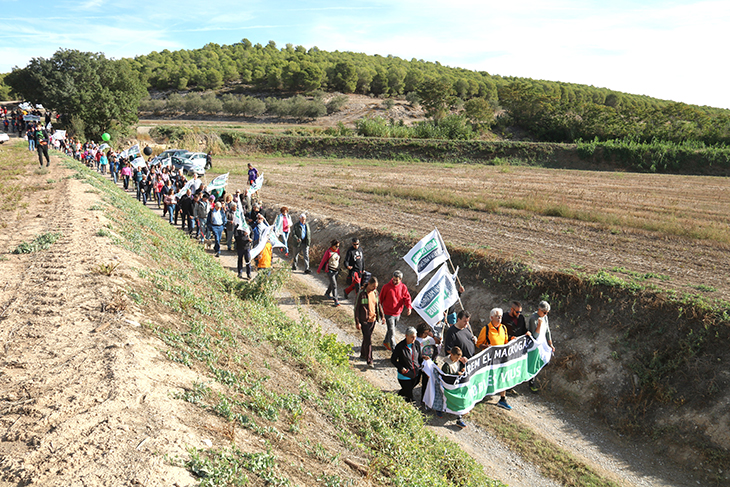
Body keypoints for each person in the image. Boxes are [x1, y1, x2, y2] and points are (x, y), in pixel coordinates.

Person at [476, 308, 513, 411]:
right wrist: (487, 347)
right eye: (497, 316)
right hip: (490, 360)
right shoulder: (486, 329)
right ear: (491, 317)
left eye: (500, 316)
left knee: (502, 376)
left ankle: (502, 398)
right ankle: (482, 394)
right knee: (488, 377)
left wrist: (511, 341)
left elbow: (505, 342)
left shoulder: (504, 328)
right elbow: (478, 343)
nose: (499, 318)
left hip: (501, 359)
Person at [391, 327, 427, 404]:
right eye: (412, 337)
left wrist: (424, 362)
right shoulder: (400, 347)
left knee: (407, 390)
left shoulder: (416, 344)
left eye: (415, 336)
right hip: (405, 374)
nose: (413, 339)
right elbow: (393, 360)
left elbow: (419, 357)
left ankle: (398, 396)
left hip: (416, 373)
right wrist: (401, 368)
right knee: (409, 397)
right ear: (406, 336)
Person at [354, 277, 383, 367]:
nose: (375, 288)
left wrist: (382, 316)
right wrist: (357, 322)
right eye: (373, 286)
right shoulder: (361, 293)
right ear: (369, 284)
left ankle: (363, 354)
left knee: (367, 338)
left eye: (376, 286)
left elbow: (378, 304)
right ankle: (369, 360)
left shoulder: (375, 293)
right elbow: (356, 308)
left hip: (373, 319)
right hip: (364, 320)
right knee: (369, 340)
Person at [380, 270, 412, 351]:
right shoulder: (386, 287)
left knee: (391, 329)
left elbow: (407, 298)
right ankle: (394, 350)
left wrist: (409, 307)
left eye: (396, 280)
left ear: (400, 279)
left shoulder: (403, 287)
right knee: (392, 332)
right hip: (388, 313)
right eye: (393, 279)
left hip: (398, 313)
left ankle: (385, 342)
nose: (394, 281)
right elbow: (380, 299)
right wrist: (378, 311)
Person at [526, 301, 555, 392]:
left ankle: (532, 378)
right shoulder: (533, 318)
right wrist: (539, 324)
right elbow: (534, 335)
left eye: (547, 313)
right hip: (535, 344)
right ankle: (531, 383)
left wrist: (550, 344)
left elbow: (547, 331)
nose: (546, 314)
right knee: (534, 362)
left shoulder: (545, 317)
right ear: (539, 310)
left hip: (543, 343)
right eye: (544, 312)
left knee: (545, 361)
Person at [440, 346, 468, 428]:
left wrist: (462, 368)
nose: (457, 360)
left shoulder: (458, 361)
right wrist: (456, 374)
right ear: (451, 355)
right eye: (456, 358)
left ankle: (459, 416)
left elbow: (460, 367)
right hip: (449, 387)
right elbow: (446, 376)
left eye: (459, 358)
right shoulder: (446, 365)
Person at [416, 322, 440, 407]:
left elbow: (437, 341)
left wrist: (432, 335)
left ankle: (424, 400)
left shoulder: (428, 339)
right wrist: (422, 357)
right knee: (416, 380)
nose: (426, 335)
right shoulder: (416, 340)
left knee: (426, 383)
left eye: (427, 333)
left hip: (428, 364)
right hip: (419, 363)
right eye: (425, 333)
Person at [317, 239, 341, 307]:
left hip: (336, 270)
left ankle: (327, 293)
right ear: (332, 246)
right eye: (336, 246)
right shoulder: (328, 252)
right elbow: (323, 261)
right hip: (330, 271)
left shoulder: (337, 251)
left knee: (332, 283)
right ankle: (336, 300)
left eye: (338, 246)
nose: (337, 248)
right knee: (334, 285)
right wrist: (319, 269)